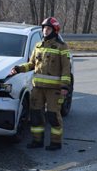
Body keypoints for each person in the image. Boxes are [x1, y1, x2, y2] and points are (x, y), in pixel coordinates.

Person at [9, 17, 71, 151]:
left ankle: (56, 142)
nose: (45, 31)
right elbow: (31, 64)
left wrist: (65, 86)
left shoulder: (61, 46)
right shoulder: (38, 46)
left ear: (54, 30)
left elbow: (66, 68)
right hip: (37, 88)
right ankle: (37, 140)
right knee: (36, 115)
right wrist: (18, 69)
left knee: (54, 116)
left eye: (48, 28)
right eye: (44, 28)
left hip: (54, 89)